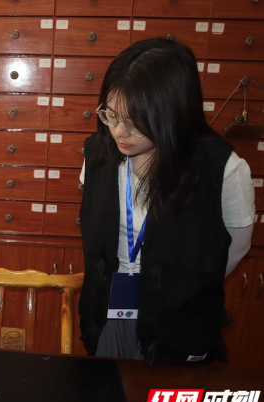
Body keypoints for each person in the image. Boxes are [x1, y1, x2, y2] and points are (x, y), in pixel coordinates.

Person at [78, 38, 255, 365]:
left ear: (173, 112)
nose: (119, 132)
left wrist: (185, 283)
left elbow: (235, 245)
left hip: (179, 323)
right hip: (108, 311)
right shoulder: (98, 155)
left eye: (135, 121)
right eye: (111, 115)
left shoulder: (221, 169)